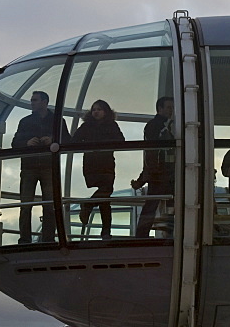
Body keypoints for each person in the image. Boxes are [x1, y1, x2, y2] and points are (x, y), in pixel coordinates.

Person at [11, 91, 70, 244]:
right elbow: (15, 143)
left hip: (40, 167)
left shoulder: (54, 121)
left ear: (44, 101)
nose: (32, 103)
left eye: (35, 100)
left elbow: (68, 140)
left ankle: (41, 239)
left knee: (41, 205)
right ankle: (35, 239)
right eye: (32, 100)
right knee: (29, 205)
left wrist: (52, 140)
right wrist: (27, 143)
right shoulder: (54, 121)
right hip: (38, 167)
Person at [71, 100, 125, 239]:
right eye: (94, 109)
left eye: (99, 109)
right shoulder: (89, 126)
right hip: (95, 164)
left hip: (102, 163)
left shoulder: (103, 126)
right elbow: (74, 141)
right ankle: (106, 231)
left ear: (105, 111)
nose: (96, 112)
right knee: (105, 195)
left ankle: (90, 208)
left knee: (105, 196)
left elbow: (121, 141)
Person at [131, 96, 175, 238]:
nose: (171, 110)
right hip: (162, 173)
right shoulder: (159, 126)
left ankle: (143, 235)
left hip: (161, 172)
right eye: (168, 107)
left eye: (172, 108)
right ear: (160, 109)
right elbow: (151, 152)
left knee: (154, 204)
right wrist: (150, 173)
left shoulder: (162, 125)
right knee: (158, 204)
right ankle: (144, 235)